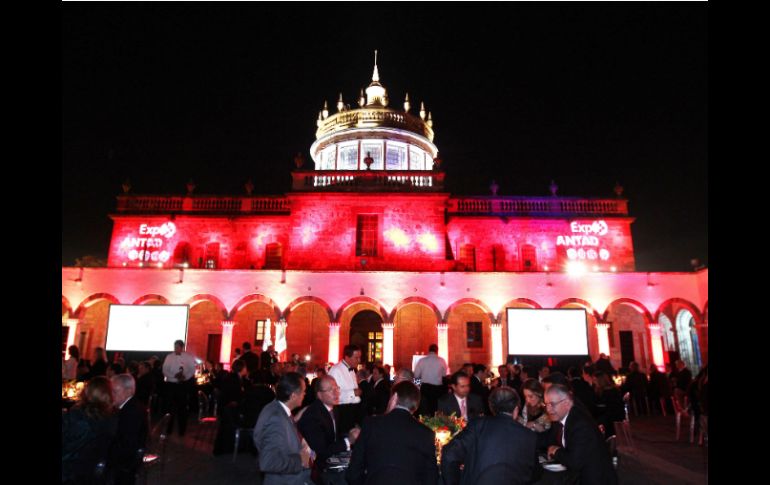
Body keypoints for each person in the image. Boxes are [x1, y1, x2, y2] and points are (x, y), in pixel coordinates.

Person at [346, 381, 438, 485]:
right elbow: (431, 478)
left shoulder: (371, 424)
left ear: (394, 397)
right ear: (416, 405)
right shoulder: (426, 433)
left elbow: (353, 473)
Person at [441, 386, 537, 485]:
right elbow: (534, 474)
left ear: (491, 408)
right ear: (516, 410)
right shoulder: (529, 436)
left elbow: (449, 454)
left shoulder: (478, 426)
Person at [544, 384, 618, 485]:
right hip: (582, 474)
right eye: (546, 405)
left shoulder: (579, 424)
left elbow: (574, 462)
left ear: (567, 403)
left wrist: (555, 450)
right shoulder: (565, 418)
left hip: (594, 479)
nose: (548, 410)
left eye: (552, 404)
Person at [297, 376, 361, 485]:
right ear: (319, 395)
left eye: (337, 388)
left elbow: (335, 437)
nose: (336, 393)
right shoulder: (313, 416)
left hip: (331, 459)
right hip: (317, 468)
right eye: (331, 390)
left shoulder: (333, 408)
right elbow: (321, 452)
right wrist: (348, 441)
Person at [253, 372, 312, 485]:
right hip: (287, 480)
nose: (305, 394)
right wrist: (301, 460)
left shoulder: (276, 407)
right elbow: (269, 462)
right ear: (293, 395)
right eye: (303, 391)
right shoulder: (276, 419)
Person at [62, 376, 118, 485]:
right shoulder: (112, 417)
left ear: (87, 392)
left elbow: (68, 446)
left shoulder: (79, 417)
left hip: (73, 470)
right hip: (95, 470)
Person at [108, 374, 148, 485]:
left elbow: (126, 445)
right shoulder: (130, 406)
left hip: (126, 463)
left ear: (129, 391)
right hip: (127, 455)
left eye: (115, 391)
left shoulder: (131, 412)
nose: (111, 395)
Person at [162, 339, 197, 436]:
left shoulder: (188, 357)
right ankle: (168, 429)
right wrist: (174, 376)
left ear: (182, 348)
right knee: (170, 408)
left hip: (183, 385)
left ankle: (182, 431)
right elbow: (165, 370)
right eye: (175, 347)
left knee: (182, 409)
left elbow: (192, 370)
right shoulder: (169, 357)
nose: (175, 349)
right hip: (171, 385)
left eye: (177, 347)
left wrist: (185, 377)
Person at [327, 344, 363, 435]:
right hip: (342, 411)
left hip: (353, 411)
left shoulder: (352, 370)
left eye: (359, 357)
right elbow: (331, 394)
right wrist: (353, 393)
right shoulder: (336, 370)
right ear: (347, 357)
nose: (359, 360)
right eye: (356, 358)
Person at [413, 344, 448, 416]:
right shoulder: (441, 361)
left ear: (429, 350)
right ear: (437, 351)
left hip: (425, 388)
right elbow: (444, 375)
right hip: (437, 389)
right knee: (435, 409)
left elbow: (416, 375)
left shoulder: (422, 361)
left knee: (425, 409)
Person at [592, 371, 625, 439]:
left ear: (599, 381)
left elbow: (602, 407)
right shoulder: (614, 389)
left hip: (611, 418)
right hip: (619, 415)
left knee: (593, 423)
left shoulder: (604, 393)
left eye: (595, 380)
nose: (594, 382)